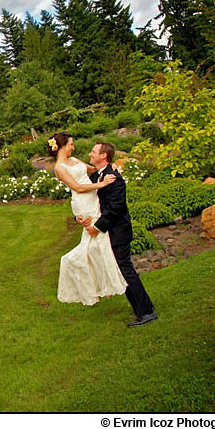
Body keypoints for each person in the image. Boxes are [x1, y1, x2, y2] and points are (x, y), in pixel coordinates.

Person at [78, 140, 158, 327]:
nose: (90, 154)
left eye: (93, 151)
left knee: (125, 270)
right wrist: (81, 218)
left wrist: (96, 227)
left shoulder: (114, 178)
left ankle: (146, 311)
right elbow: (91, 202)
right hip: (108, 233)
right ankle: (143, 309)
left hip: (118, 232)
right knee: (122, 271)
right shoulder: (97, 177)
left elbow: (115, 208)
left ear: (103, 155)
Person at [49, 132, 128, 308]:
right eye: (71, 144)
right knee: (96, 243)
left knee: (95, 245)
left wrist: (112, 165)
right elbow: (77, 187)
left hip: (94, 199)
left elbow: (94, 170)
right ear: (62, 146)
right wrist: (102, 184)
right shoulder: (59, 168)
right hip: (84, 202)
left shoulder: (75, 160)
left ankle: (103, 282)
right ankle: (104, 283)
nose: (73, 147)